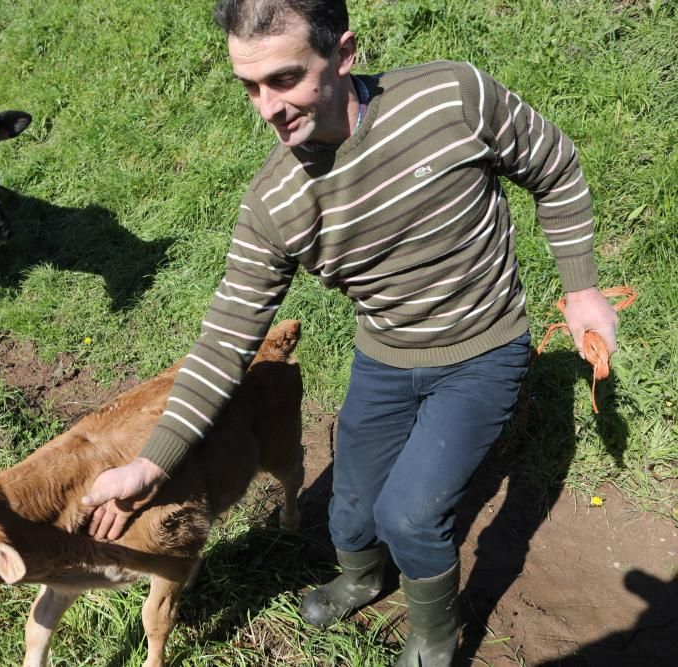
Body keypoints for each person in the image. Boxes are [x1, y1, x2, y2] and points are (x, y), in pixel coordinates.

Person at [80, 1, 619, 664]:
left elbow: (554, 164)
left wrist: (582, 287)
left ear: (343, 54)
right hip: (386, 355)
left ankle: (434, 634)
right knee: (349, 511)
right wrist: (148, 461)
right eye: (249, 87)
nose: (267, 108)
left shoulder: (451, 98)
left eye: (284, 78)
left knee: (411, 516)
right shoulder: (274, 203)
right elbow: (225, 342)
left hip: (482, 345)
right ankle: (363, 577)